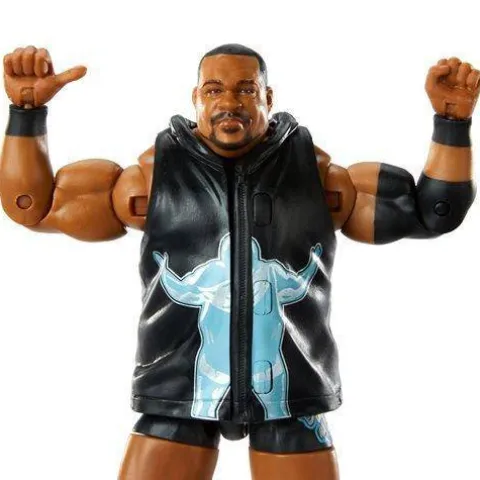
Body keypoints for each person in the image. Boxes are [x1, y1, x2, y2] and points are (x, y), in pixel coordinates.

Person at [1, 43, 477, 480]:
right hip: (181, 387)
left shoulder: (319, 177)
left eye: (245, 89)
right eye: (214, 90)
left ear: (268, 97)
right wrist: (26, 114)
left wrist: (452, 123)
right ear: (196, 99)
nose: (229, 102)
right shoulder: (150, 178)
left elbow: (431, 213)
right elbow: (34, 206)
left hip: (287, 391)